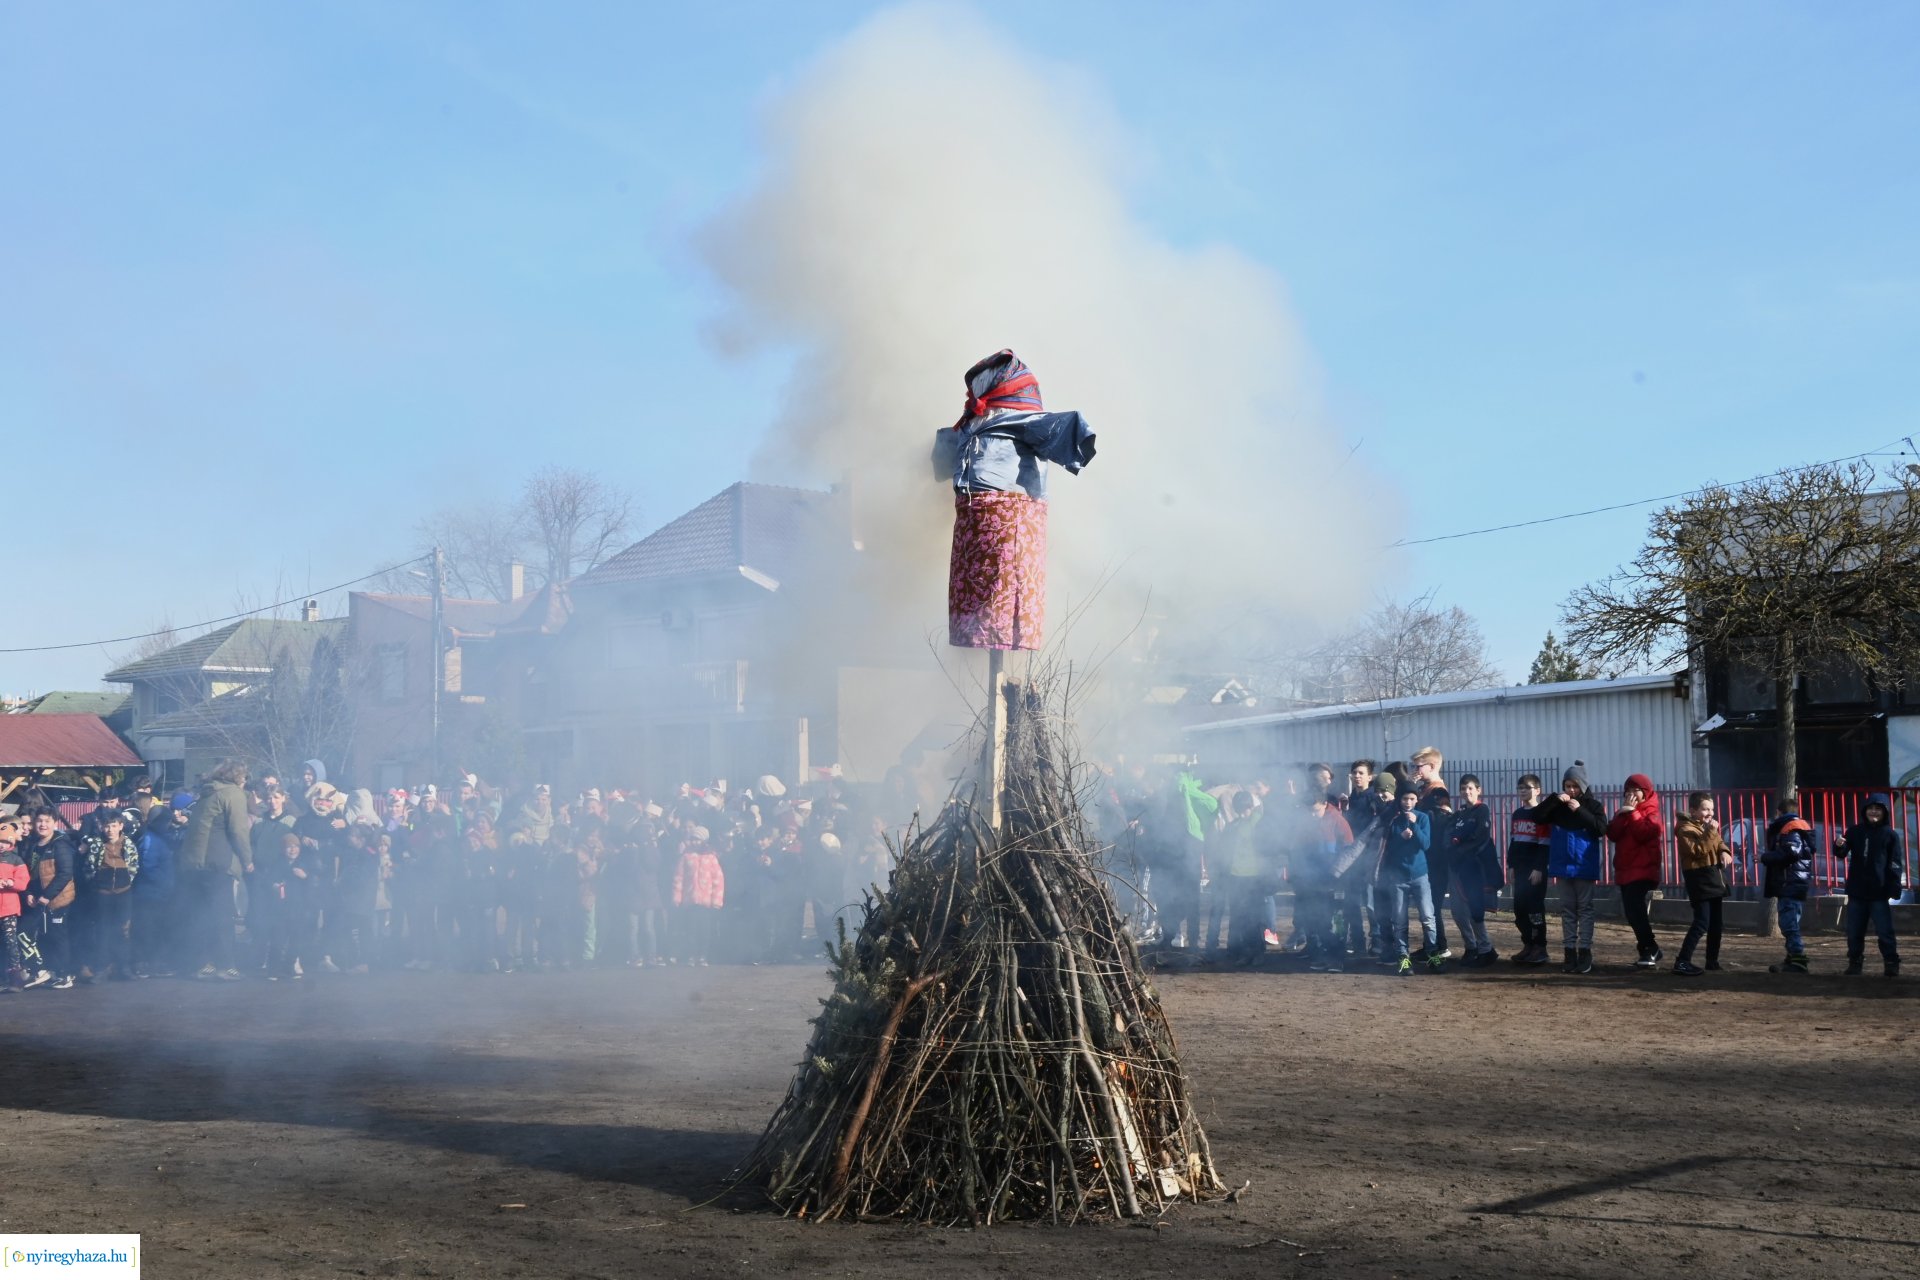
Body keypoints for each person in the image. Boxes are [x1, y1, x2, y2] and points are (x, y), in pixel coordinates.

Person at [178, 759, 253, 981]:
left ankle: (203, 963)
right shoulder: (233, 794)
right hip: (217, 863)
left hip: (194, 864)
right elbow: (239, 830)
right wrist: (247, 859)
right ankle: (226, 965)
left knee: (201, 915)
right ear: (239, 777)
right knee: (222, 916)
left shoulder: (207, 792)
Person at [1530, 762, 1607, 974]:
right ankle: (1569, 952)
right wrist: (1554, 800)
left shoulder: (1593, 806)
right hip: (1562, 866)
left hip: (1584, 866)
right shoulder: (1558, 806)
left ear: (1582, 786)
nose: (1571, 790)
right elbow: (1537, 816)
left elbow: (1601, 828)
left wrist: (1580, 811)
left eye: (1575, 786)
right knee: (1567, 911)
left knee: (1585, 910)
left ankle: (1585, 952)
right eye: (1567, 786)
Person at [1833, 793, 1904, 978]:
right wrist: (1838, 845)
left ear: (1885, 812)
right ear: (1864, 811)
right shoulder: (1855, 831)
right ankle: (1855, 963)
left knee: (1885, 931)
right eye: (1871, 808)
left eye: (1878, 809)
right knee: (1854, 931)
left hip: (1879, 892)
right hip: (1857, 890)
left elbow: (1895, 863)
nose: (1874, 812)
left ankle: (1891, 963)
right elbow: (1841, 853)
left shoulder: (1890, 835)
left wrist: (1894, 887)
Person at [1380, 779, 1441, 976]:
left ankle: (1433, 953)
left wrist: (1414, 829)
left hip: (1420, 875)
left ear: (1417, 800)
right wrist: (1400, 838)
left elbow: (1426, 845)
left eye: (1412, 799)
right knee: (1399, 920)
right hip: (1397, 877)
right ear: (1400, 799)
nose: (1408, 802)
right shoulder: (1394, 821)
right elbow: (1388, 850)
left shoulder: (1422, 818)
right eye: (1405, 798)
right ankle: (1403, 957)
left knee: (1428, 917)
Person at [1606, 773, 1665, 969]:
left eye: (1636, 791)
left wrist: (1632, 812)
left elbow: (1645, 833)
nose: (1631, 794)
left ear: (1645, 792)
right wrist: (1623, 814)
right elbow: (1613, 834)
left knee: (1637, 911)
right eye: (1628, 791)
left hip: (1643, 869)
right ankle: (1646, 949)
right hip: (1625, 868)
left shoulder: (1651, 811)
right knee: (1631, 913)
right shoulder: (1624, 811)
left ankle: (1651, 947)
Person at [1672, 792, 1731, 976]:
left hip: (1713, 877)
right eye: (1705, 809)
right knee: (1702, 922)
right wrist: (1711, 832)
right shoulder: (1685, 829)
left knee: (1716, 924)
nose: (1710, 813)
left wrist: (1724, 851)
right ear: (1693, 810)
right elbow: (1698, 851)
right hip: (1699, 879)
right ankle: (1682, 961)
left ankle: (1712, 961)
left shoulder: (1705, 827)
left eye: (1712, 809)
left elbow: (1718, 842)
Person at [1446, 774, 1501, 967]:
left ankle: (1486, 949)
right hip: (1458, 868)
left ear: (1479, 790)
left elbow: (1480, 836)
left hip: (1474, 868)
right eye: (1463, 789)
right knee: (1457, 911)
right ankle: (1471, 947)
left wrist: (1460, 849)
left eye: (1470, 788)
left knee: (1475, 911)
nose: (1466, 792)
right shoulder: (1460, 814)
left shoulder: (1482, 810)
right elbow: (1450, 833)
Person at [19, 807, 78, 988]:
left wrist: (46, 896)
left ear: (55, 823)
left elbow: (65, 873)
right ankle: (49, 971)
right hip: (39, 899)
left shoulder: (60, 844)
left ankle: (65, 975)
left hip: (59, 900)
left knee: (58, 936)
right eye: (39, 821)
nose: (43, 825)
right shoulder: (34, 845)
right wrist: (29, 892)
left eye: (47, 821)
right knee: (37, 934)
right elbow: (31, 873)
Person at [79, 808, 139, 981]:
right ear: (101, 827)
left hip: (123, 893)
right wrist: (97, 884)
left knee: (124, 930)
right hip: (102, 894)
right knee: (103, 931)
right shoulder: (97, 844)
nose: (110, 830)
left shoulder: (128, 844)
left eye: (114, 825)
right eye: (107, 826)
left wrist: (126, 882)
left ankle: (124, 966)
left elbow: (134, 867)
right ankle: (102, 968)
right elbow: (88, 868)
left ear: (121, 826)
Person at [1409, 747, 1455, 962]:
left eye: (1419, 766)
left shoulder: (1438, 793)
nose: (1415, 770)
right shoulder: (1426, 790)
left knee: (1432, 905)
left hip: (1435, 858)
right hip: (1428, 857)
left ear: (1432, 766)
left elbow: (1439, 823)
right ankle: (1433, 943)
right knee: (1428, 905)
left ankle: (1438, 946)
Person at [1762, 796, 1816, 974]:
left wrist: (1764, 857)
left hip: (1789, 882)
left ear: (1779, 812)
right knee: (1791, 920)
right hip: (1796, 881)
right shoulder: (1799, 826)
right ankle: (1791, 958)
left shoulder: (1789, 828)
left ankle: (1798, 960)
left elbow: (1791, 852)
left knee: (1788, 923)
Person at [1506, 775, 1552, 965]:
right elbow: (1514, 841)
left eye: (1528, 787)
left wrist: (1539, 868)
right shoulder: (1517, 814)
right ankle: (1528, 944)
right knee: (1520, 909)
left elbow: (1544, 844)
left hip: (1535, 870)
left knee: (1535, 909)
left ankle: (1540, 947)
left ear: (1537, 790)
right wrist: (1511, 865)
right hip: (1521, 869)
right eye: (1520, 787)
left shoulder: (1541, 814)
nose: (1523, 791)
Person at [672, 825, 725, 966]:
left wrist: (717, 900)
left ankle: (703, 955)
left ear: (704, 841)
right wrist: (677, 897)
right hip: (690, 901)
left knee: (705, 931)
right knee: (691, 930)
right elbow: (679, 878)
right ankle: (691, 955)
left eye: (698, 839)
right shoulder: (686, 857)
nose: (695, 842)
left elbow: (718, 880)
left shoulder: (711, 857)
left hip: (706, 902)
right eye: (693, 839)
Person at [0, 814, 31, 992]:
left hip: (9, 908)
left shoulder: (16, 859)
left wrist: (11, 883)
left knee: (11, 943)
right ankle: (2, 978)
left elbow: (23, 881)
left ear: (11, 843)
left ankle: (15, 979)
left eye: (4, 842)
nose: (1, 845)